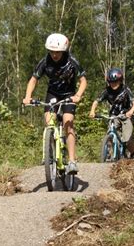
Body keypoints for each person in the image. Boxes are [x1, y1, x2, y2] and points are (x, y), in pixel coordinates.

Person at [23, 33, 87, 174]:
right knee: (49, 121)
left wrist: (78, 95)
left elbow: (83, 81)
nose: (54, 55)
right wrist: (28, 96)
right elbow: (33, 79)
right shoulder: (45, 61)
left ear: (63, 51)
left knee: (68, 123)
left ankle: (71, 161)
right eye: (51, 51)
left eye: (57, 52)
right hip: (52, 94)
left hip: (69, 95)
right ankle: (49, 155)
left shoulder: (71, 61)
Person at [89, 68, 134, 159]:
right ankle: (108, 152)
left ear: (120, 81)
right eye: (111, 82)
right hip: (114, 115)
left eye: (115, 82)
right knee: (110, 132)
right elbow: (96, 101)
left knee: (128, 140)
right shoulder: (107, 91)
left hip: (126, 115)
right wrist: (92, 111)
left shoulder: (125, 89)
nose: (113, 84)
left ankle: (132, 153)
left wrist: (130, 112)